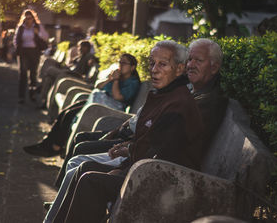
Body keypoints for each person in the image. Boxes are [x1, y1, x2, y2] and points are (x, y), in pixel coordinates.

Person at [44, 38, 229, 223]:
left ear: (178, 69)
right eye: (152, 63)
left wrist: (124, 166)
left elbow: (162, 155)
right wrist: (126, 158)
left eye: (163, 64)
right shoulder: (167, 94)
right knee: (85, 168)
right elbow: (150, 142)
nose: (154, 69)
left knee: (90, 181)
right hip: (147, 168)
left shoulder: (178, 104)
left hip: (164, 180)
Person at [24, 53, 141, 157]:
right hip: (98, 102)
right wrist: (110, 79)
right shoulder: (116, 76)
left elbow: (118, 97)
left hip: (108, 108)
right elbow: (98, 86)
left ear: (132, 67)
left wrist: (115, 81)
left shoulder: (133, 82)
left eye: (124, 63)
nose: (120, 65)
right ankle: (47, 142)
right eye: (119, 62)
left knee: (71, 115)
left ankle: (55, 146)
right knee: (68, 111)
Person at [39, 40, 93, 108]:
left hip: (73, 75)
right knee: (49, 78)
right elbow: (72, 64)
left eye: (80, 47)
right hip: (68, 71)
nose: (79, 48)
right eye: (78, 47)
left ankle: (41, 87)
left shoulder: (88, 56)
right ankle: (45, 101)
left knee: (50, 70)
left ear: (86, 47)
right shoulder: (80, 56)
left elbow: (91, 61)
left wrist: (91, 61)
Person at [14, 9, 49, 104]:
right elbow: (16, 40)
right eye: (26, 19)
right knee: (23, 74)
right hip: (23, 52)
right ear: (24, 19)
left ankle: (32, 94)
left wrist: (38, 33)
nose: (28, 20)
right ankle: (21, 96)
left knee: (33, 74)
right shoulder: (21, 28)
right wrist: (17, 49)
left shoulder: (37, 26)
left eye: (30, 18)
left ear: (33, 19)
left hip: (35, 52)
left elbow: (46, 37)